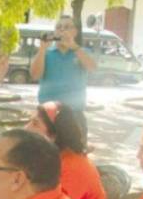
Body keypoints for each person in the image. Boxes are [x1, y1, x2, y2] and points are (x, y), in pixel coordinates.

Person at [31, 15, 97, 146]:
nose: (62, 30)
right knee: (44, 156)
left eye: (67, 27)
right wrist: (42, 49)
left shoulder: (82, 52)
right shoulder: (45, 53)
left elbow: (92, 68)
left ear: (75, 32)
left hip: (74, 115)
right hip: (47, 115)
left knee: (75, 156)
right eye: (59, 27)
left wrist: (74, 47)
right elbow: (35, 75)